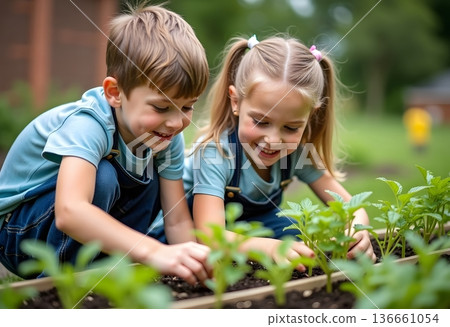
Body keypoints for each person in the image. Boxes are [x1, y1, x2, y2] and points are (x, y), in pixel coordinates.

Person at [0, 4, 211, 285]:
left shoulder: (165, 137)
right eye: (162, 108)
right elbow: (70, 212)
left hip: (77, 229)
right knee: (104, 177)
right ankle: (56, 286)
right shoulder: (89, 124)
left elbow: (177, 221)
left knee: (151, 182)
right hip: (19, 232)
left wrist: (194, 266)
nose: (176, 122)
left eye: (187, 107)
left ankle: (108, 275)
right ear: (115, 93)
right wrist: (155, 251)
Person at [183, 35, 376, 269]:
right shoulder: (215, 154)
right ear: (235, 102)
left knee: (299, 241)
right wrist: (269, 247)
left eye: (291, 127)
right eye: (261, 122)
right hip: (196, 231)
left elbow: (351, 207)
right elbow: (210, 237)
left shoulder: (298, 153)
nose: (273, 140)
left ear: (310, 116)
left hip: (256, 229)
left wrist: (356, 232)